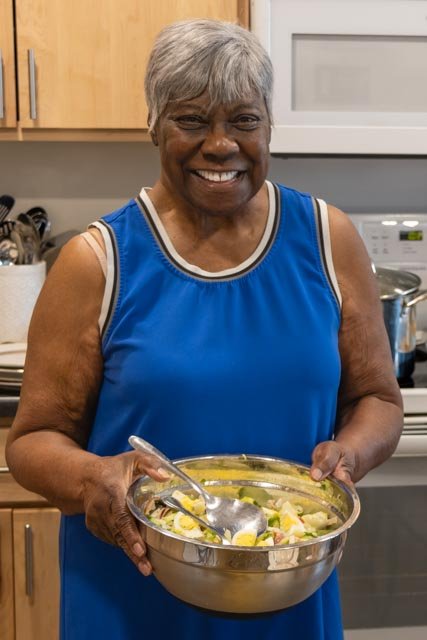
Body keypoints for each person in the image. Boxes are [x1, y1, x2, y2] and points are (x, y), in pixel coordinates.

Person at [6, 18, 402, 640]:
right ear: (153, 126)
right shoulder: (98, 262)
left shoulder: (329, 240)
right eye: (191, 121)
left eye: (244, 121)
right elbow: (33, 441)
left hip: (286, 584)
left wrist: (352, 451)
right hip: (132, 595)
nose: (220, 145)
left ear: (269, 127)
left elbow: (377, 398)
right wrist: (93, 479)